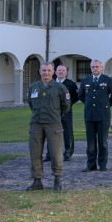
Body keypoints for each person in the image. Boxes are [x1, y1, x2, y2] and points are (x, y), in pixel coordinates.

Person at [26, 61, 70, 191]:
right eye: (44, 70)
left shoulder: (60, 88)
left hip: (53, 124)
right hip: (36, 124)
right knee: (35, 153)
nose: (46, 73)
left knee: (56, 153)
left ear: (53, 72)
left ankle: (57, 180)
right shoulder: (33, 87)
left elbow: (66, 106)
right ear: (40, 71)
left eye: (49, 70)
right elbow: (30, 103)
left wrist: (56, 115)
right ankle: (37, 180)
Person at [78, 59, 112, 172]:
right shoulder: (85, 80)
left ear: (102, 68)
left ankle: (102, 164)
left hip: (103, 115)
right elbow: (81, 95)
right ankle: (91, 164)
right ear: (90, 68)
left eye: (97, 66)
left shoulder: (108, 80)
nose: (95, 69)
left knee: (102, 142)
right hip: (89, 114)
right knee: (90, 142)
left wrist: (106, 105)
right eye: (93, 67)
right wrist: (88, 104)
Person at [46, 64, 79, 162]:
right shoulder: (50, 83)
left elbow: (76, 96)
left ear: (66, 72)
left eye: (63, 71)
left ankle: (68, 153)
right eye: (59, 70)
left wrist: (68, 104)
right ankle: (49, 154)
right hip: (52, 112)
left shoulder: (71, 84)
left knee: (68, 132)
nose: (61, 72)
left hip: (66, 111)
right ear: (55, 72)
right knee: (51, 132)